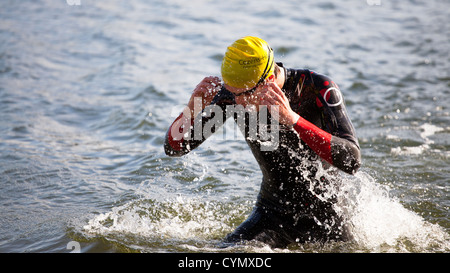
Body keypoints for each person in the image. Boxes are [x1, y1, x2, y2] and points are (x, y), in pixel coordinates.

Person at [164, 36, 361, 248]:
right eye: (232, 93)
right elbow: (175, 149)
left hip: (329, 215)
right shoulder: (233, 94)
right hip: (272, 213)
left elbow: (352, 161)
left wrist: (293, 120)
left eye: (244, 94)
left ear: (267, 80)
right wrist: (191, 110)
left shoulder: (317, 87)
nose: (237, 102)